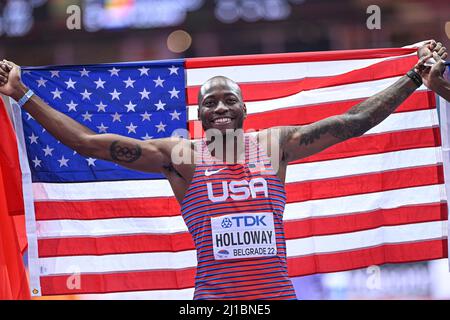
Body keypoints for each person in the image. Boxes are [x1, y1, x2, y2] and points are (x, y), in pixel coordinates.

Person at [0, 41, 446, 300]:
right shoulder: (182, 157)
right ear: (199, 115)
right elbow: (85, 144)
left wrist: (412, 76)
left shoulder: (273, 145)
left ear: (244, 109)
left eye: (228, 99)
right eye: (209, 102)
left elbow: (353, 123)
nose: (219, 107)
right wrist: (21, 94)